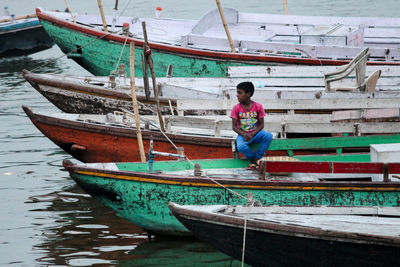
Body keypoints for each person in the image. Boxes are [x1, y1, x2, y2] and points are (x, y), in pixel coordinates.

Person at [230, 81, 273, 163]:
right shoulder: (236, 108)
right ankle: (254, 159)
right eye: (237, 92)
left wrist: (253, 134)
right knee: (241, 146)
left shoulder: (258, 106)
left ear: (248, 94)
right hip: (243, 135)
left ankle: (259, 156)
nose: (237, 95)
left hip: (256, 134)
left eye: (240, 93)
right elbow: (234, 127)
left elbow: (261, 125)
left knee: (268, 136)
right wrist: (244, 134)